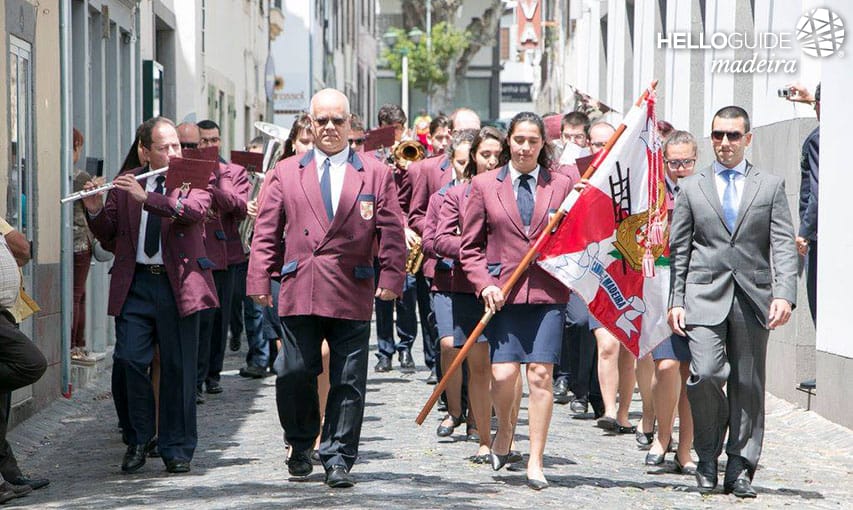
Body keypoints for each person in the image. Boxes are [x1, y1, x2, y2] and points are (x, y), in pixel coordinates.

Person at [247, 88, 406, 488]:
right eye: (322, 121)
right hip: (301, 285)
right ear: (310, 123)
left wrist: (391, 277)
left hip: (353, 287)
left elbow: (390, 231)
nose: (331, 128)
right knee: (293, 372)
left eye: (338, 120)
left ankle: (338, 456)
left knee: (349, 379)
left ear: (351, 124)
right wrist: (259, 279)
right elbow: (266, 232)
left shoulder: (375, 171)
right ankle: (300, 443)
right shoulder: (285, 171)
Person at [668, 106, 798, 498]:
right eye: (718, 135)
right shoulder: (693, 187)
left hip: (753, 297)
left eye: (733, 136)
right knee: (705, 373)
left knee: (748, 383)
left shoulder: (770, 186)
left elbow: (782, 244)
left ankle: (740, 466)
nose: (725, 143)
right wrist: (676, 299)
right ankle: (707, 455)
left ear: (748, 138)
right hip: (703, 294)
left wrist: (784, 294)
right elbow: (680, 250)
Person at [83, 116, 218, 474]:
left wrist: (149, 198)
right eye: (165, 147)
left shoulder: (192, 177)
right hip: (137, 284)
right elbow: (110, 236)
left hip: (179, 284)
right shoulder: (126, 184)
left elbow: (194, 211)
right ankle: (139, 437)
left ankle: (177, 448)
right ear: (145, 151)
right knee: (128, 359)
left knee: (178, 368)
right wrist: (95, 209)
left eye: (177, 145)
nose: (175, 152)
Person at [459, 112, 573, 490]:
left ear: (543, 145)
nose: (525, 147)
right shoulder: (483, 184)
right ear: (509, 141)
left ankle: (536, 460)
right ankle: (505, 428)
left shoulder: (562, 184)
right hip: (502, 294)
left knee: (540, 375)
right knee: (503, 375)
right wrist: (484, 284)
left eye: (533, 141)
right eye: (519, 140)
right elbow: (470, 248)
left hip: (547, 293)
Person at [431, 126, 506, 462]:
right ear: (473, 158)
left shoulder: (513, 190)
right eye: (484, 155)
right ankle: (481, 435)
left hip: (507, 286)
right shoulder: (454, 195)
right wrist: (474, 247)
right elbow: (439, 240)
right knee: (477, 366)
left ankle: (504, 433)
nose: (491, 161)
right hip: (465, 287)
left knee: (504, 367)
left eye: (496, 155)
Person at [409, 109, 481, 383]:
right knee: (442, 332)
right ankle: (442, 377)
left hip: (476, 272)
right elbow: (416, 212)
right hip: (440, 265)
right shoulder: (428, 169)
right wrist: (438, 230)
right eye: (464, 132)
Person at [644, 130, 697, 474]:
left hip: (698, 289)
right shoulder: (652, 195)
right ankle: (662, 435)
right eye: (673, 162)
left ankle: (686, 448)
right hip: (662, 288)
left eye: (686, 162)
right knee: (665, 368)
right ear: (664, 161)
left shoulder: (704, 191)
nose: (679, 169)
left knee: (690, 373)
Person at [420, 129, 476, 440]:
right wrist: (458, 244)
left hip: (479, 281)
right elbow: (430, 242)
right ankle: (454, 410)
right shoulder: (440, 197)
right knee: (449, 345)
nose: (465, 169)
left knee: (478, 350)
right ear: (450, 162)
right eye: (460, 162)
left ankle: (476, 414)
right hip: (445, 279)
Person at [195, 120, 249, 394]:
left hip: (226, 254)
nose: (209, 145)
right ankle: (197, 377)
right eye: (203, 141)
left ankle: (213, 374)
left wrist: (211, 186)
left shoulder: (233, 172)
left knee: (220, 319)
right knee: (202, 319)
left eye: (213, 140)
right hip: (196, 252)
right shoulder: (188, 169)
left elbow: (238, 206)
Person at [0, 217, 48, 495]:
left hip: (8, 311)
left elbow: (22, 248)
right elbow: (21, 246)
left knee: (0, 407)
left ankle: (7, 476)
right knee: (32, 363)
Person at [371, 103, 418, 373]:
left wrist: (407, 167)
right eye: (392, 131)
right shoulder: (372, 154)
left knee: (407, 293)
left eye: (399, 129)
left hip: (408, 233)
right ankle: (384, 351)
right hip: (381, 234)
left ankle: (406, 348)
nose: (397, 136)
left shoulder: (412, 154)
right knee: (382, 296)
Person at [787, 82, 820, 324]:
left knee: (820, 307)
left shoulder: (818, 140)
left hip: (821, 239)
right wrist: (812, 100)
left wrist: (805, 231)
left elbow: (817, 191)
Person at [70, 128, 96, 363]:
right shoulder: (80, 176)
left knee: (77, 294)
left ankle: (76, 343)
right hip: (80, 243)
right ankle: (76, 345)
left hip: (66, 242)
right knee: (78, 295)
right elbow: (93, 212)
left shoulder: (58, 174)